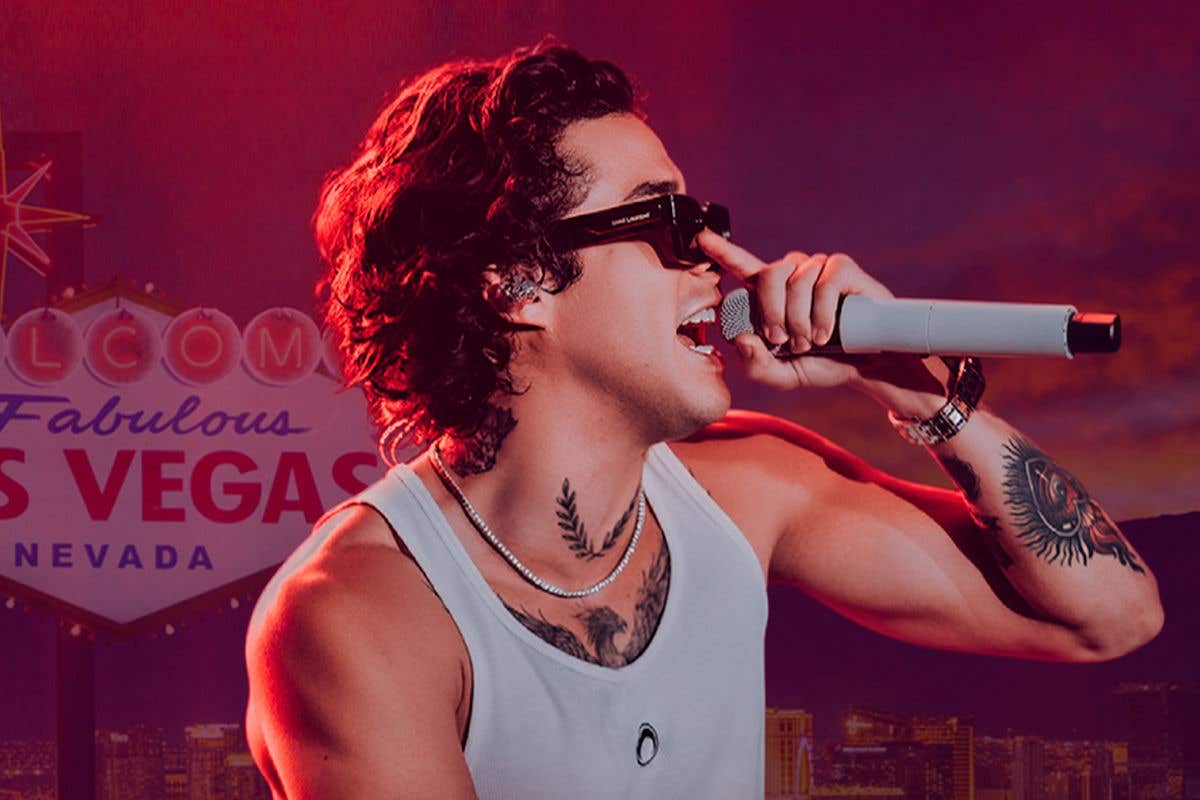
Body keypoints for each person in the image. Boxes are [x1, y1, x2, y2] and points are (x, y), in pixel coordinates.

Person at [243, 41, 1163, 799]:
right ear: (517, 281)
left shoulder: (752, 490)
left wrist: (920, 393)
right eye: (666, 222)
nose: (714, 262)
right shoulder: (361, 612)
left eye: (705, 221)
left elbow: (1112, 618)